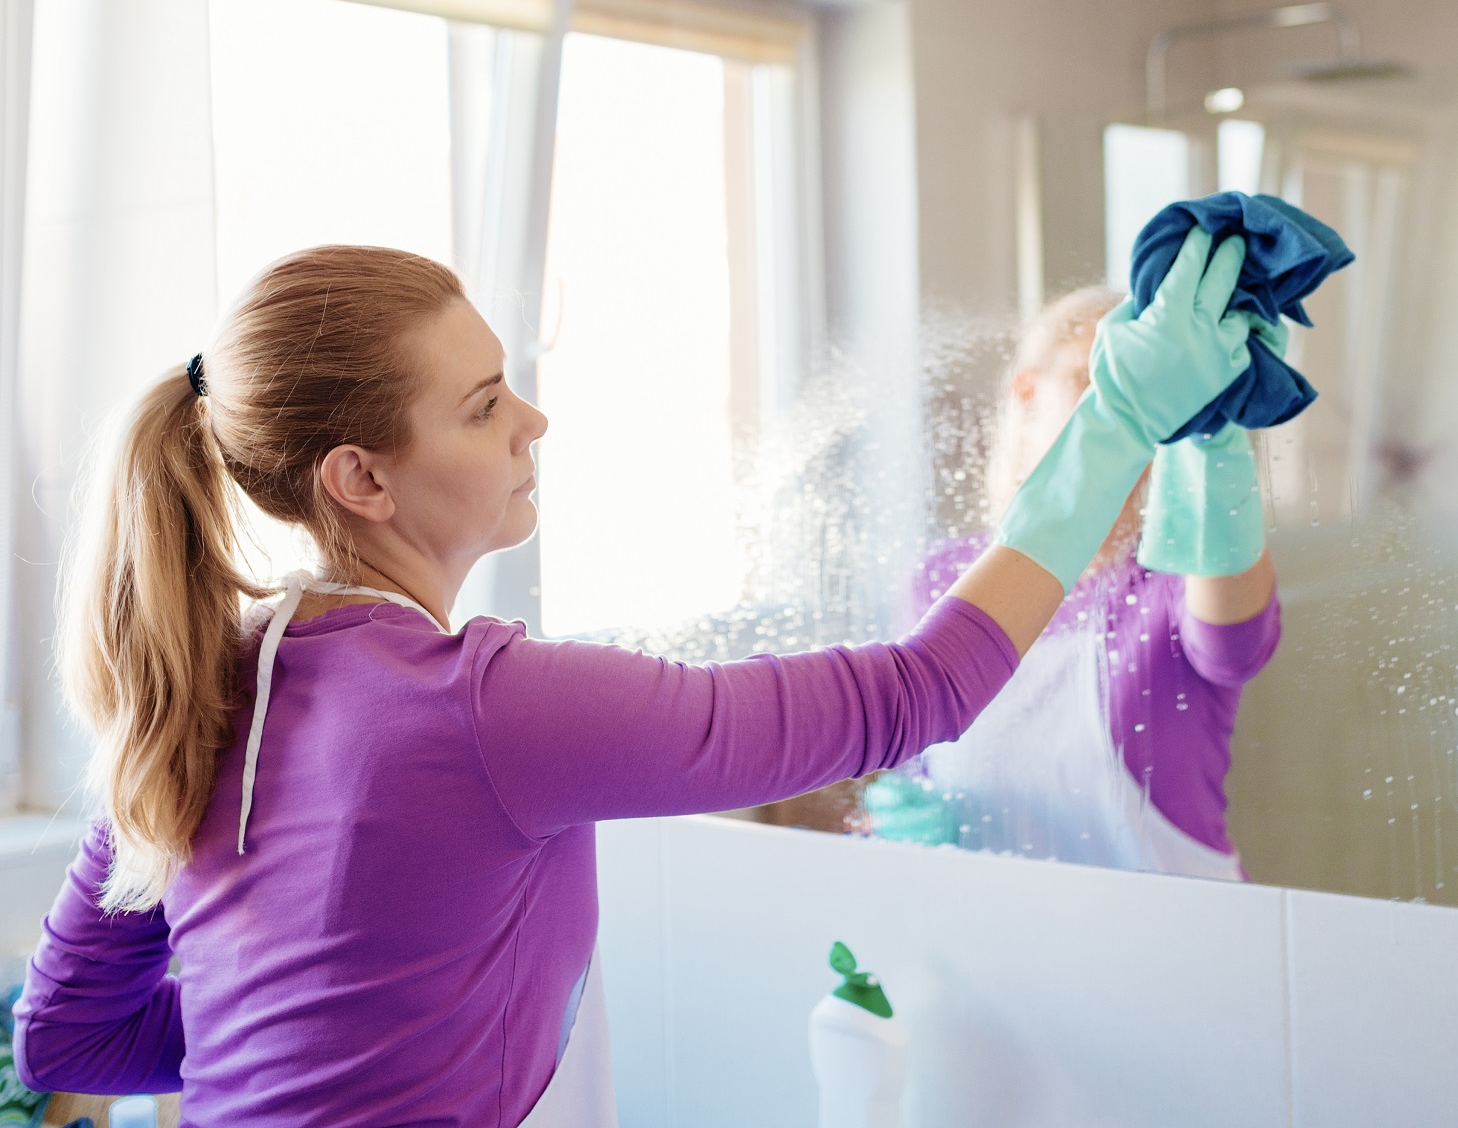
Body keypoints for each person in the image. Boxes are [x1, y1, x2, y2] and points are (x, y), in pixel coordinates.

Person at [12, 230, 1251, 1125]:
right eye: (486, 404)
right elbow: (912, 695)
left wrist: (321, 1022)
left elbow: (71, 1034)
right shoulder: (488, 705)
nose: (532, 425)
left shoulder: (209, 688)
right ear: (361, 480)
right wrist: (1114, 425)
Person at [868, 286, 1280, 879]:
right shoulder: (939, 580)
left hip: (1176, 947)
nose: (1122, 415)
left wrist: (1213, 438)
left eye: (1144, 392)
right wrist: (904, 820)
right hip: (995, 941)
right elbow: (921, 765)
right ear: (1028, 392)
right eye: (1096, 384)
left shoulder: (1174, 575)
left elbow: (1235, 647)